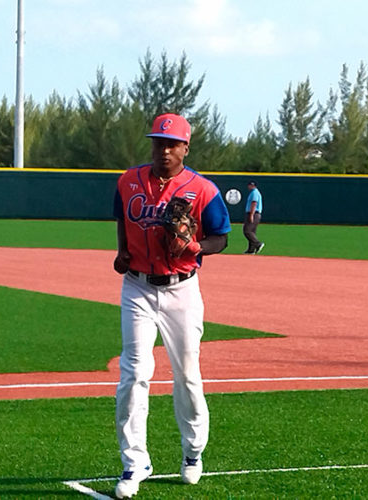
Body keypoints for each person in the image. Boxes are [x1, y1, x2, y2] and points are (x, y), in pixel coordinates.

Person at [112, 113, 231, 498]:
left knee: (188, 375)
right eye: (158, 142)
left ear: (185, 147)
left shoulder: (204, 190)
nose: (163, 149)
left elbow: (221, 238)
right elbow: (121, 219)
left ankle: (193, 453)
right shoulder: (128, 181)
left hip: (182, 290)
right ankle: (135, 462)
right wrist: (122, 253)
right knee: (134, 374)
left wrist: (196, 247)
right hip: (138, 288)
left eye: (171, 143)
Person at [243, 180, 264, 254]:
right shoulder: (254, 192)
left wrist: (251, 215)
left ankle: (258, 244)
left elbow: (254, 203)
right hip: (255, 214)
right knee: (252, 232)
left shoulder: (254, 193)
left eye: (250, 185)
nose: (249, 186)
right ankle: (251, 250)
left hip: (254, 213)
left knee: (247, 231)